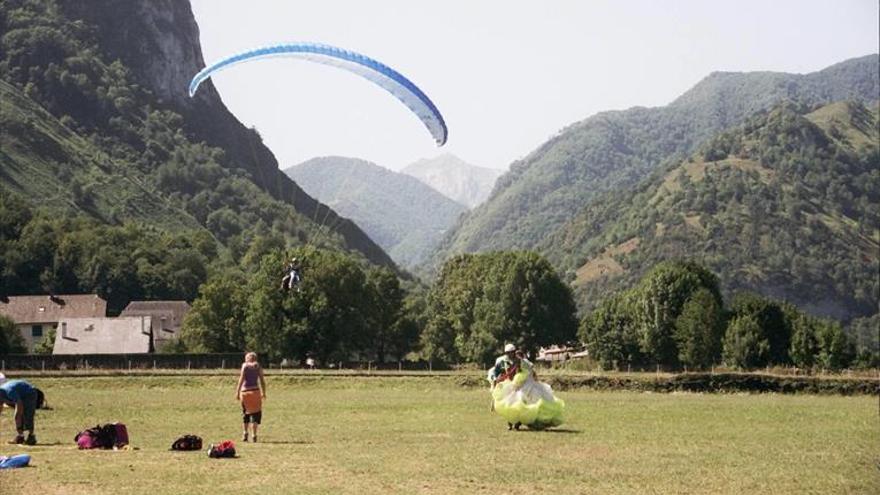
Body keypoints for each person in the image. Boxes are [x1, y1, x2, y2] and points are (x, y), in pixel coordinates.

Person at [489, 348, 565, 431]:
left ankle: (517, 423)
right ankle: (511, 423)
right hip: (512, 385)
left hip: (521, 386)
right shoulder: (503, 361)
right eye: (508, 353)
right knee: (510, 404)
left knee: (519, 404)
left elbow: (528, 373)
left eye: (511, 353)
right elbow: (501, 372)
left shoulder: (523, 363)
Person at [235, 352, 266, 442]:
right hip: (255, 391)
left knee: (245, 414)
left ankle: (245, 433)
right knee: (255, 414)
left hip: (245, 392)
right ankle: (254, 435)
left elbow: (241, 380)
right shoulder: (258, 366)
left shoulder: (245, 366)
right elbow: (262, 381)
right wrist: (264, 393)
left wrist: (237, 392)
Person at [0, 379, 38, 445]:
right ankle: (21, 436)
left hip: (29, 393)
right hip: (19, 394)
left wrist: (17, 415)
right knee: (19, 416)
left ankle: (31, 436)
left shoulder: (9, 391)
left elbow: (19, 404)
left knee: (26, 414)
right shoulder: (2, 394)